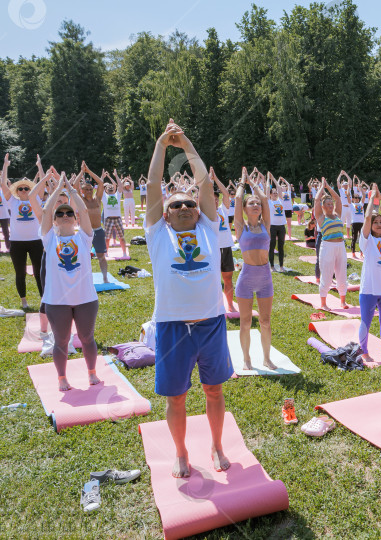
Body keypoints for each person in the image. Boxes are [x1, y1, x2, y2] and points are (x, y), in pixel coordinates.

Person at [144, 119, 233, 478]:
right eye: (176, 204)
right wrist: (163, 145)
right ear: (165, 214)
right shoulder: (157, 234)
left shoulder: (208, 228)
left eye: (189, 203)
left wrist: (187, 143)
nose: (184, 207)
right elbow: (152, 185)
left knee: (214, 391)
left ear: (198, 210)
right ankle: (181, 452)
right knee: (176, 397)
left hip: (210, 324)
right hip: (172, 327)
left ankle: (216, 445)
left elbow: (205, 184)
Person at [38, 174, 99, 391]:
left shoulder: (84, 237)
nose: (65, 215)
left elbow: (84, 211)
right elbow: (45, 211)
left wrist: (72, 190)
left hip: (85, 298)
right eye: (60, 214)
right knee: (61, 341)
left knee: (86, 338)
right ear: (55, 220)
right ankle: (62, 377)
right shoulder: (49, 238)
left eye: (68, 213)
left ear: (75, 219)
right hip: (57, 300)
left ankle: (92, 372)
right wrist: (57, 190)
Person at [234, 169, 275, 370]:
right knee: (246, 322)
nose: (257, 205)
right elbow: (237, 198)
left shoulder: (266, 225)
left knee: (265, 322)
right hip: (247, 278)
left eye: (257, 203)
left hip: (265, 277)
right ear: (244, 208)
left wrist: (253, 183)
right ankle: (247, 359)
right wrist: (243, 182)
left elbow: (266, 199)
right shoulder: (241, 227)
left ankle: (267, 358)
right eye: (252, 203)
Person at [357, 184, 381, 363]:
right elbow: (367, 218)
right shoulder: (366, 241)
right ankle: (364, 351)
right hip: (369, 289)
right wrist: (371, 199)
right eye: (376, 222)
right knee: (366, 322)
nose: (380, 225)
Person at [1, 154, 45, 310]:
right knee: (20, 273)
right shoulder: (11, 201)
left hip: (36, 241)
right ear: (17, 191)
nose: (24, 190)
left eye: (27, 188)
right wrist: (5, 166)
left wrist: (39, 166)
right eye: (21, 188)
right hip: (17, 242)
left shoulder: (36, 199)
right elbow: (3, 184)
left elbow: (43, 182)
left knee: (39, 272)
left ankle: (43, 300)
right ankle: (24, 301)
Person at [313, 178, 349, 309]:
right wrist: (321, 187)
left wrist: (328, 187)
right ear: (323, 207)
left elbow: (338, 199)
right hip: (327, 247)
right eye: (327, 204)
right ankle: (323, 303)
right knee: (327, 275)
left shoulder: (337, 214)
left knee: (342, 273)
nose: (330, 205)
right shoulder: (321, 217)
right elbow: (316, 200)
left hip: (340, 246)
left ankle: (343, 301)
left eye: (330, 204)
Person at [74, 163, 111, 284]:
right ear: (82, 191)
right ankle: (84, 279)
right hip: (85, 232)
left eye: (90, 189)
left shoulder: (97, 199)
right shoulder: (81, 200)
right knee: (83, 257)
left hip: (99, 230)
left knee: (101, 256)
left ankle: (105, 277)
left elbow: (100, 183)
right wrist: (81, 172)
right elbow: (74, 184)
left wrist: (88, 171)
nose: (89, 191)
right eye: (86, 189)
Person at [211, 169, 236, 313]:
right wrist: (207, 181)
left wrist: (215, 179)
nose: (214, 200)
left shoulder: (223, 210)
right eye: (211, 198)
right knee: (212, 281)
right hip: (212, 249)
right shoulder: (204, 211)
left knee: (228, 279)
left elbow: (226, 194)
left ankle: (230, 305)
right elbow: (199, 197)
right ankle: (214, 306)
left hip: (225, 247)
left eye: (216, 198)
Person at [101, 172, 128, 258]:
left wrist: (116, 176)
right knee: (107, 238)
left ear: (114, 188)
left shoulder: (117, 195)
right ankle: (106, 253)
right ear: (105, 189)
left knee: (121, 237)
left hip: (117, 219)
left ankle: (124, 253)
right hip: (108, 219)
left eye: (112, 187)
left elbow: (119, 185)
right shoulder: (104, 196)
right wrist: (102, 177)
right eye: (108, 187)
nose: (110, 188)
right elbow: (100, 186)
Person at [266, 174, 288, 272]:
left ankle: (281, 266)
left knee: (281, 246)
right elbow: (267, 189)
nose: (275, 194)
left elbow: (279, 187)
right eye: (273, 193)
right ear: (270, 194)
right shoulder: (269, 202)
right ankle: (271, 266)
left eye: (276, 193)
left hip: (281, 226)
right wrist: (267, 179)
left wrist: (273, 179)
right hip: (273, 226)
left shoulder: (281, 201)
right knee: (272, 245)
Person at [350, 192, 365, 257]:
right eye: (355, 198)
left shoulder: (361, 204)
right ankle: (353, 252)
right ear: (353, 199)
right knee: (354, 238)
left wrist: (360, 187)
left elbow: (364, 195)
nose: (357, 199)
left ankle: (362, 252)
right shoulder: (351, 204)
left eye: (358, 198)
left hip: (361, 222)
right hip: (355, 222)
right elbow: (348, 196)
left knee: (362, 238)